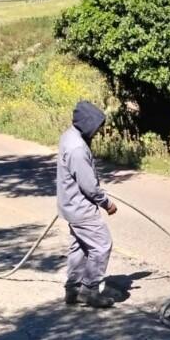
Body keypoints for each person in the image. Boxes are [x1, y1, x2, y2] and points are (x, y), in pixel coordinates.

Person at [57, 101, 118, 309]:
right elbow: (89, 187)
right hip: (81, 208)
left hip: (70, 205)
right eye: (97, 126)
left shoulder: (69, 136)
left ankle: (72, 289)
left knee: (81, 247)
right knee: (102, 245)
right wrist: (107, 203)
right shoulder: (77, 149)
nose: (98, 131)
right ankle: (90, 290)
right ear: (87, 123)